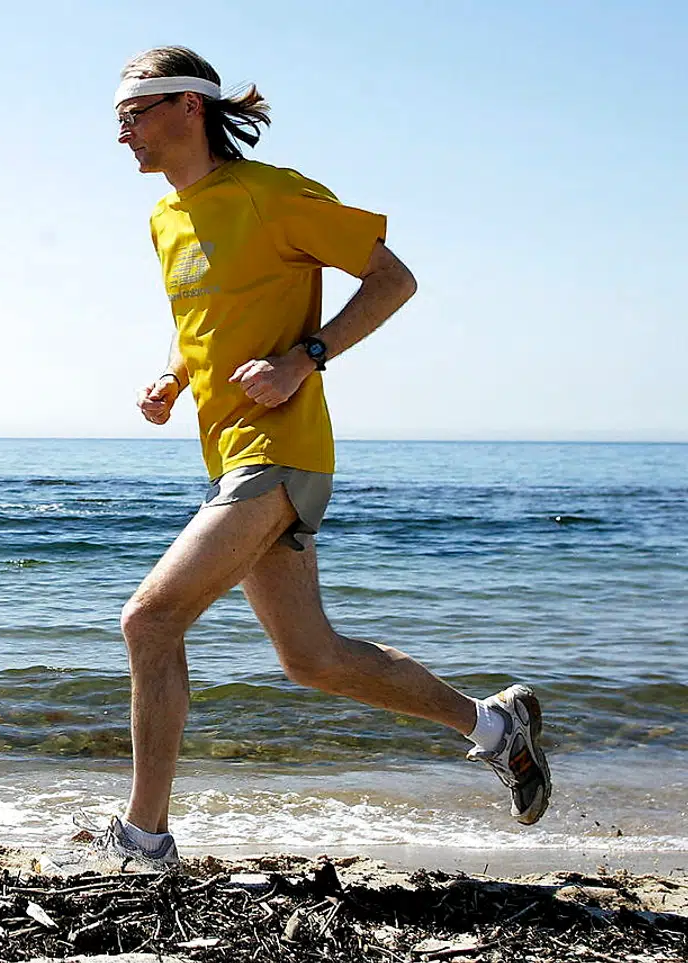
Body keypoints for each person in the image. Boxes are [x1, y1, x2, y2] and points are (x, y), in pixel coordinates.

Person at [92, 46, 551, 870]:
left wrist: (305, 356)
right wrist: (171, 375)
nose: (121, 132)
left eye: (132, 113)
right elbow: (199, 320)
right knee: (313, 658)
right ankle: (494, 725)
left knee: (150, 619)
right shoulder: (167, 219)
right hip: (228, 449)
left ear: (188, 107)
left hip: (282, 447)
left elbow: (393, 278)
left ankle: (142, 839)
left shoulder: (274, 196)